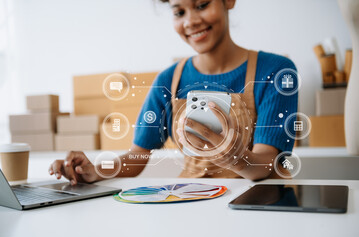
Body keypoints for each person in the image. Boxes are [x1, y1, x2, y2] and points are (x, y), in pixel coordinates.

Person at [49, 0, 298, 184]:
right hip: (192, 201)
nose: (190, 21)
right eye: (179, 12)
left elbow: (266, 164)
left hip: (258, 204)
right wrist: (95, 170)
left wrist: (236, 157)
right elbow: (137, 157)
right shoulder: (169, 80)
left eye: (202, 5)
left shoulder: (276, 72)